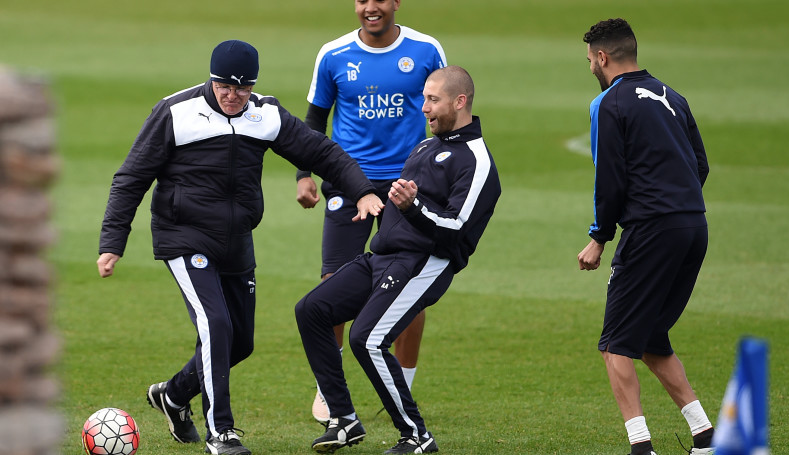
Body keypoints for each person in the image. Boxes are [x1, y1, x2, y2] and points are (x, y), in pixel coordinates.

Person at [96, 39, 384, 455]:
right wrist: (112, 242)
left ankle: (174, 397)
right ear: (210, 80)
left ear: (253, 85)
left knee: (240, 343)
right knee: (216, 325)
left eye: (242, 88)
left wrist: (362, 191)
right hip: (183, 235)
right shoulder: (175, 112)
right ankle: (222, 433)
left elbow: (321, 151)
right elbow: (130, 178)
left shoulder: (264, 113)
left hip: (236, 240)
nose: (232, 96)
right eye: (223, 87)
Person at [295, 66, 500, 454]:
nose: (423, 108)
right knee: (312, 309)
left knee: (367, 340)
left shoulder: (477, 161)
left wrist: (414, 205)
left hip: (424, 264)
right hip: (381, 258)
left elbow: (457, 228)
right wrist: (375, 208)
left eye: (433, 100)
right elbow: (403, 204)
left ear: (460, 102)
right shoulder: (426, 146)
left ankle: (416, 436)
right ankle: (343, 419)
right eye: (424, 98)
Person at [294, 0, 448, 424]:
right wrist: (303, 175)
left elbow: (444, 107)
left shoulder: (426, 49)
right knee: (332, 283)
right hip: (347, 180)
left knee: (410, 287)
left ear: (395, 3)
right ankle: (330, 387)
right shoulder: (333, 54)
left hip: (408, 184)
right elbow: (314, 120)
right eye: (363, 0)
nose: (371, 7)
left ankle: (403, 383)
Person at [575, 18, 715, 455]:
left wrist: (599, 236)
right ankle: (707, 438)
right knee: (652, 337)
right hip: (693, 226)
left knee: (615, 344)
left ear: (602, 57)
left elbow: (609, 180)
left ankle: (641, 448)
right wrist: (677, 207)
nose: (590, 69)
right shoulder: (673, 96)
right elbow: (700, 165)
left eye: (589, 61)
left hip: (652, 231)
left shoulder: (609, 103)